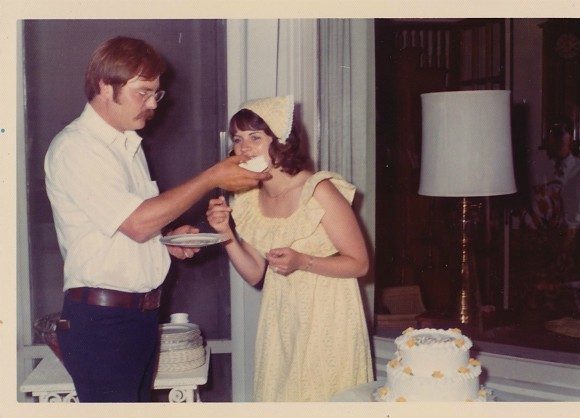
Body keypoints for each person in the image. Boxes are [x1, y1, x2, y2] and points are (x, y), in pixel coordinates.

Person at [44, 36, 270, 402]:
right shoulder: (77, 147)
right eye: (143, 92)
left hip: (138, 318)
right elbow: (136, 223)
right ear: (105, 86)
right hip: (102, 323)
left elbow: (132, 228)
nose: (152, 104)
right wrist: (212, 176)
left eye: (156, 94)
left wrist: (166, 241)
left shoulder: (127, 145)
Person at [206, 95, 374, 401]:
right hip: (281, 317)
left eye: (255, 138)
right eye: (238, 139)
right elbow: (255, 273)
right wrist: (224, 233)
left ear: (281, 142)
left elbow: (360, 264)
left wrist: (302, 261)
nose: (243, 149)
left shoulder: (319, 190)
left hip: (328, 314)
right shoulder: (247, 199)